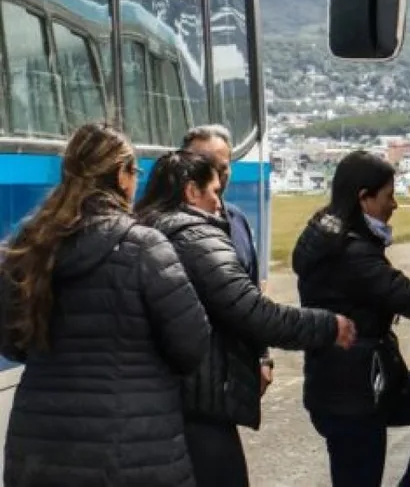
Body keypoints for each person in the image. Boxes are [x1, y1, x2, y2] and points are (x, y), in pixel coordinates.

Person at [0, 123, 210, 486]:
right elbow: (192, 346)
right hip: (133, 446)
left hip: (39, 447)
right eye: (135, 172)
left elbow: (12, 342)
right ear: (121, 174)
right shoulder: (145, 247)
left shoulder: (29, 246)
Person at [135, 150, 355, 487]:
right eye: (213, 192)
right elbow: (253, 312)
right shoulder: (196, 236)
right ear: (191, 192)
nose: (219, 204)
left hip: (155, 404)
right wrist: (328, 325)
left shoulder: (144, 230)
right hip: (200, 405)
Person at [293, 151, 410, 487]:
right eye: (388, 195)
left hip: (358, 384)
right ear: (363, 197)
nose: (394, 204)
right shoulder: (352, 253)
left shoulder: (331, 232)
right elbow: (408, 298)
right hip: (354, 397)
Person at [181, 125, 272, 394]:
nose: (217, 180)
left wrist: (262, 356)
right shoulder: (166, 227)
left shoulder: (238, 221)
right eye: (207, 168)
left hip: (231, 374)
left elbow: (252, 296)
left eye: (224, 168)